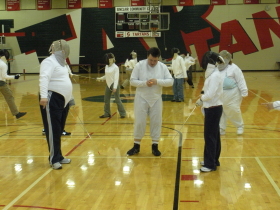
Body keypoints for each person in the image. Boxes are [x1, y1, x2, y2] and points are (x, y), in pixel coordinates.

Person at [127, 47, 174, 156]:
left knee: (156, 122)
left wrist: (157, 81)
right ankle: (136, 146)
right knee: (139, 121)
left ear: (158, 58)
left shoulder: (162, 67)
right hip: (141, 97)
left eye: (155, 60)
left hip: (156, 98)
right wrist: (144, 83)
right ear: (147, 56)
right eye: (151, 60)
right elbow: (132, 81)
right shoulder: (139, 65)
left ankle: (155, 146)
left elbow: (170, 81)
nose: (152, 62)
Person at [39, 39, 72, 170]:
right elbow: (44, 78)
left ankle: (59, 156)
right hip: (51, 98)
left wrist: (70, 98)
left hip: (63, 100)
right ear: (61, 50)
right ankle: (53, 159)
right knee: (52, 129)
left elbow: (65, 80)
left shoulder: (63, 63)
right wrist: (43, 96)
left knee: (59, 129)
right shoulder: (48, 61)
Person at [195, 51, 224, 172]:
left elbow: (210, 94)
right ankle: (213, 160)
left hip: (213, 109)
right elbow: (207, 90)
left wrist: (201, 99)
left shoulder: (215, 75)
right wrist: (202, 96)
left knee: (210, 136)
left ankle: (210, 164)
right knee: (214, 135)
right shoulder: (213, 74)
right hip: (213, 108)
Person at [217, 50, 248, 135]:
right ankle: (221, 128)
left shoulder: (234, 68)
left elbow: (240, 80)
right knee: (220, 111)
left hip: (233, 94)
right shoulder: (216, 67)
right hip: (220, 93)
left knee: (233, 110)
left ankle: (239, 126)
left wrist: (244, 91)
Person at [97, 53, 126, 118]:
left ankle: (123, 113)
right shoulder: (106, 66)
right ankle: (107, 113)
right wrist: (100, 78)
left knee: (117, 100)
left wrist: (115, 87)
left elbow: (116, 78)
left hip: (114, 84)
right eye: (109, 59)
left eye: (112, 59)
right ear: (107, 60)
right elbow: (107, 76)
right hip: (108, 84)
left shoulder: (115, 67)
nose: (111, 60)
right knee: (106, 100)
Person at [0, 49, 26, 119]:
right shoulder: (3, 64)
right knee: (9, 98)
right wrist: (15, 77)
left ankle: (16, 113)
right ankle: (16, 114)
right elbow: (4, 76)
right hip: (1, 84)